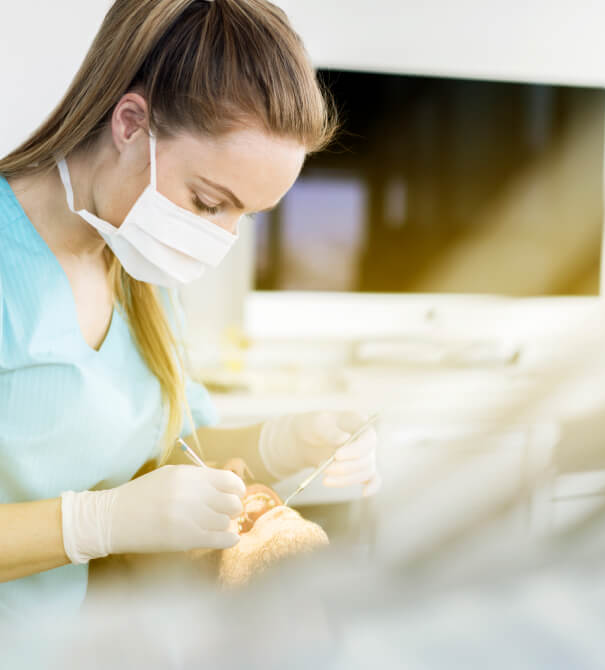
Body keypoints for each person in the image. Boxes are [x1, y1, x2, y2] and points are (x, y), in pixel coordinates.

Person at [0, 0, 380, 624]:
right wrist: (96, 524)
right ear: (129, 124)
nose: (221, 239)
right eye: (208, 202)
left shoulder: (136, 265)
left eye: (246, 216)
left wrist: (285, 442)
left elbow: (170, 453)